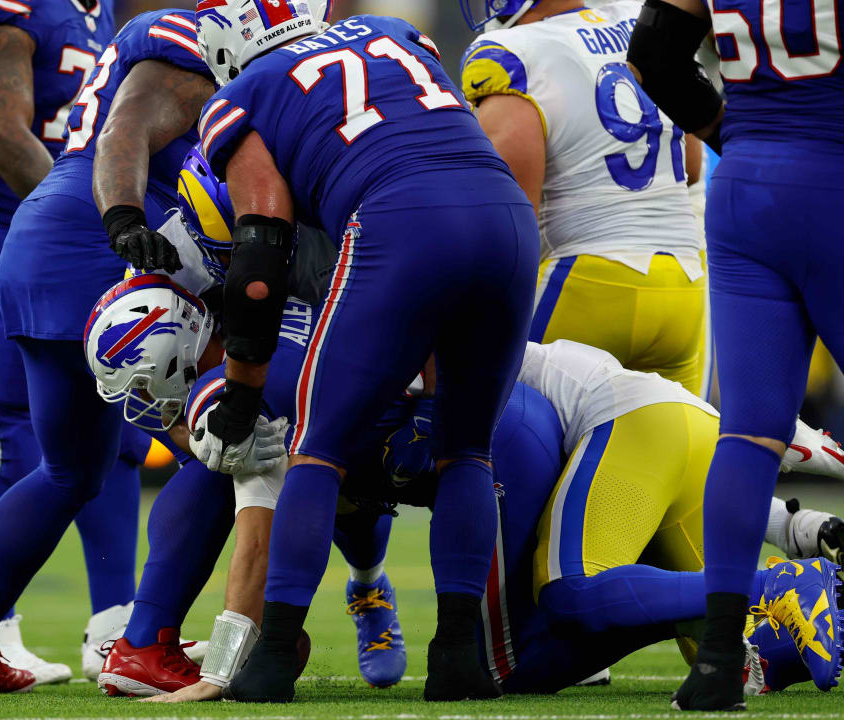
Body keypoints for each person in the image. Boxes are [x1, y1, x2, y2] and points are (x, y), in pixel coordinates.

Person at [191, 2, 539, 701]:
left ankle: (273, 658)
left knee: (318, 449)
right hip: (506, 219)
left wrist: (240, 391)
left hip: (401, 221)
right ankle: (457, 657)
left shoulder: (242, 96)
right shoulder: (396, 32)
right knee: (466, 448)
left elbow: (259, 259)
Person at [0, 6, 218, 693]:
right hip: (75, 235)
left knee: (77, 466)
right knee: (219, 437)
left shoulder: (125, 20)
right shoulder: (193, 42)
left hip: (55, 233)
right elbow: (112, 134)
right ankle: (142, 642)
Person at [372, 340, 844, 696]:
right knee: (743, 661)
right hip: (687, 429)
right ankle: (812, 598)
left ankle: (769, 586)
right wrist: (789, 525)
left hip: (636, 421)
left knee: (568, 593)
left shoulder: (423, 354)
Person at [625, 0, 844, 709]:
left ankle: (719, 661)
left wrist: (739, 135)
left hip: (747, 186)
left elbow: (654, 57)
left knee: (748, 432)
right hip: (833, 174)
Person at [84, 276, 404, 696]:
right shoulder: (175, 273)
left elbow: (258, 538)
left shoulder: (254, 372)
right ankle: (144, 639)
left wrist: (221, 669)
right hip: (306, 376)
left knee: (343, 485)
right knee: (227, 469)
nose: (145, 399)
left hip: (404, 423)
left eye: (144, 383)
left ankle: (372, 583)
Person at [459, 0, 710, 397]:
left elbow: (508, 221)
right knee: (668, 450)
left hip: (584, 282)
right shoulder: (644, 22)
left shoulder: (514, 52)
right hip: (683, 286)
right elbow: (691, 166)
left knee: (504, 435)